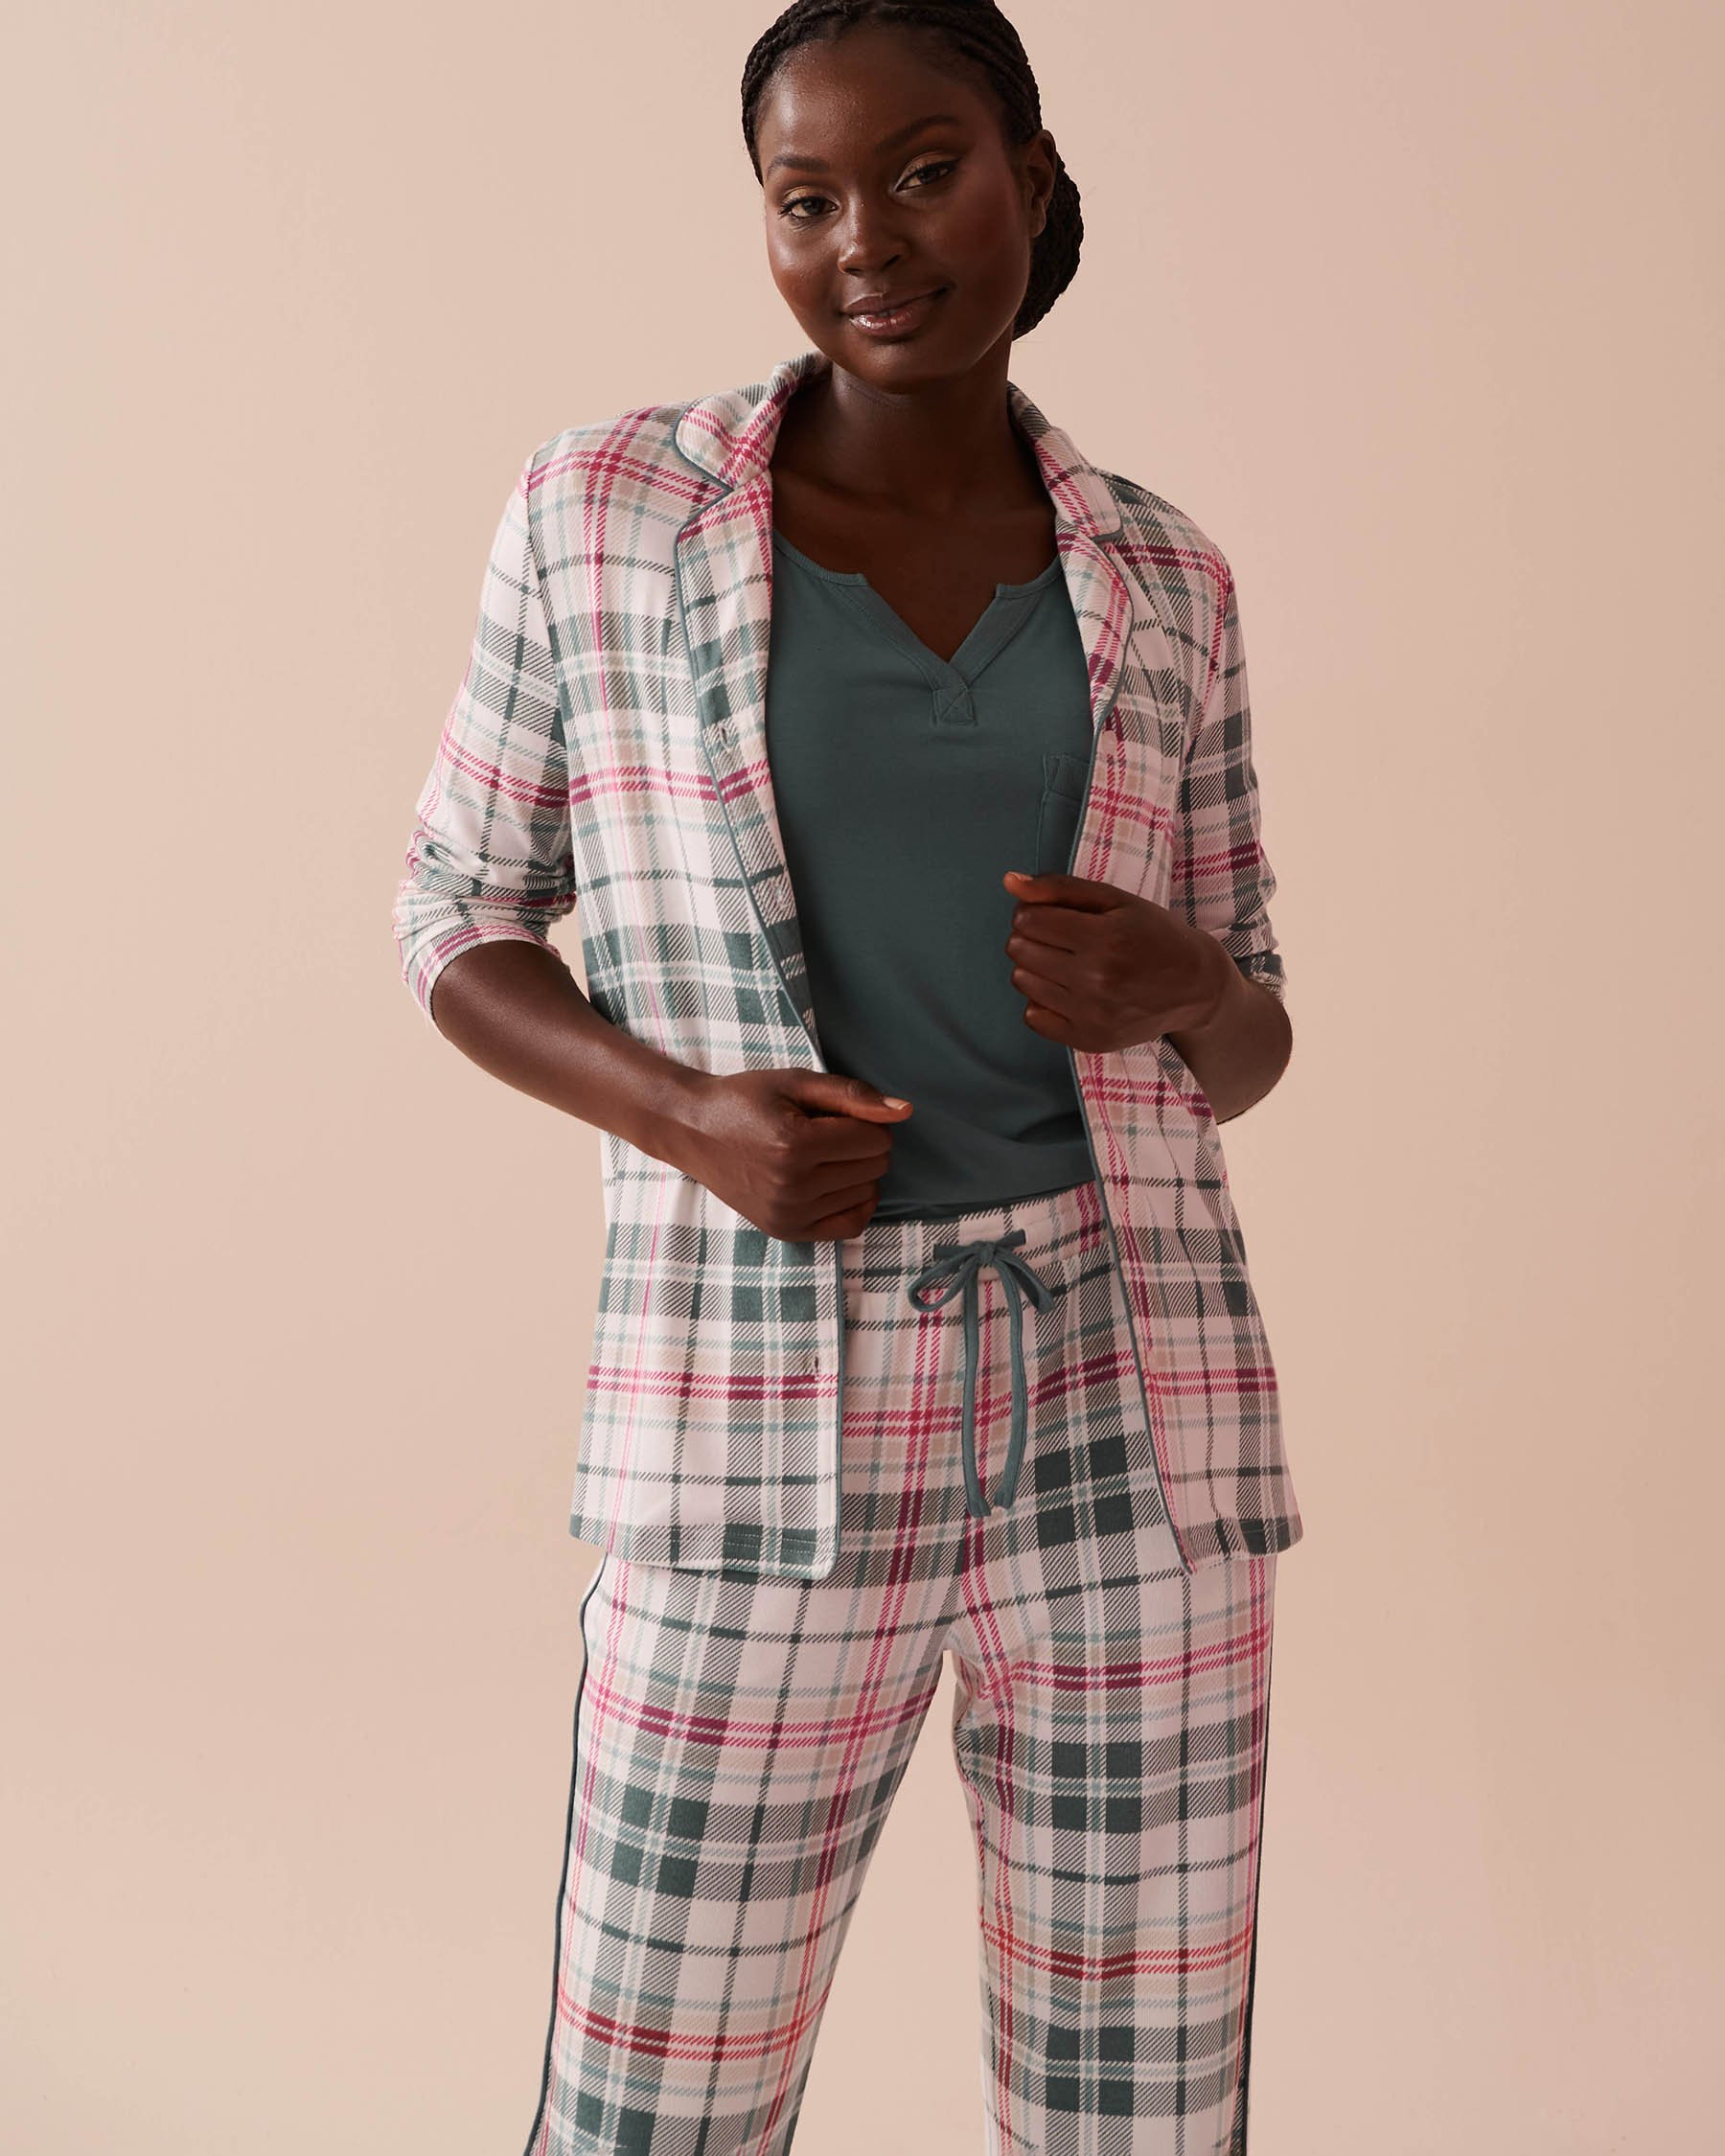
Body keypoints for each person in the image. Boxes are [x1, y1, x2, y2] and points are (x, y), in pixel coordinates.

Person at [392, 4, 1305, 2150]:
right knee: (657, 2094)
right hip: (752, 1407)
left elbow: (1252, 1032)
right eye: (804, 199)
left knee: (1143, 2106)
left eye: (921, 172)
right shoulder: (606, 512)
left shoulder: (1164, 575)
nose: (865, 242)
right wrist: (683, 1118)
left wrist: (1180, 974)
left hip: (1128, 1402)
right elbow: (454, 911)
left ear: (1031, 177)